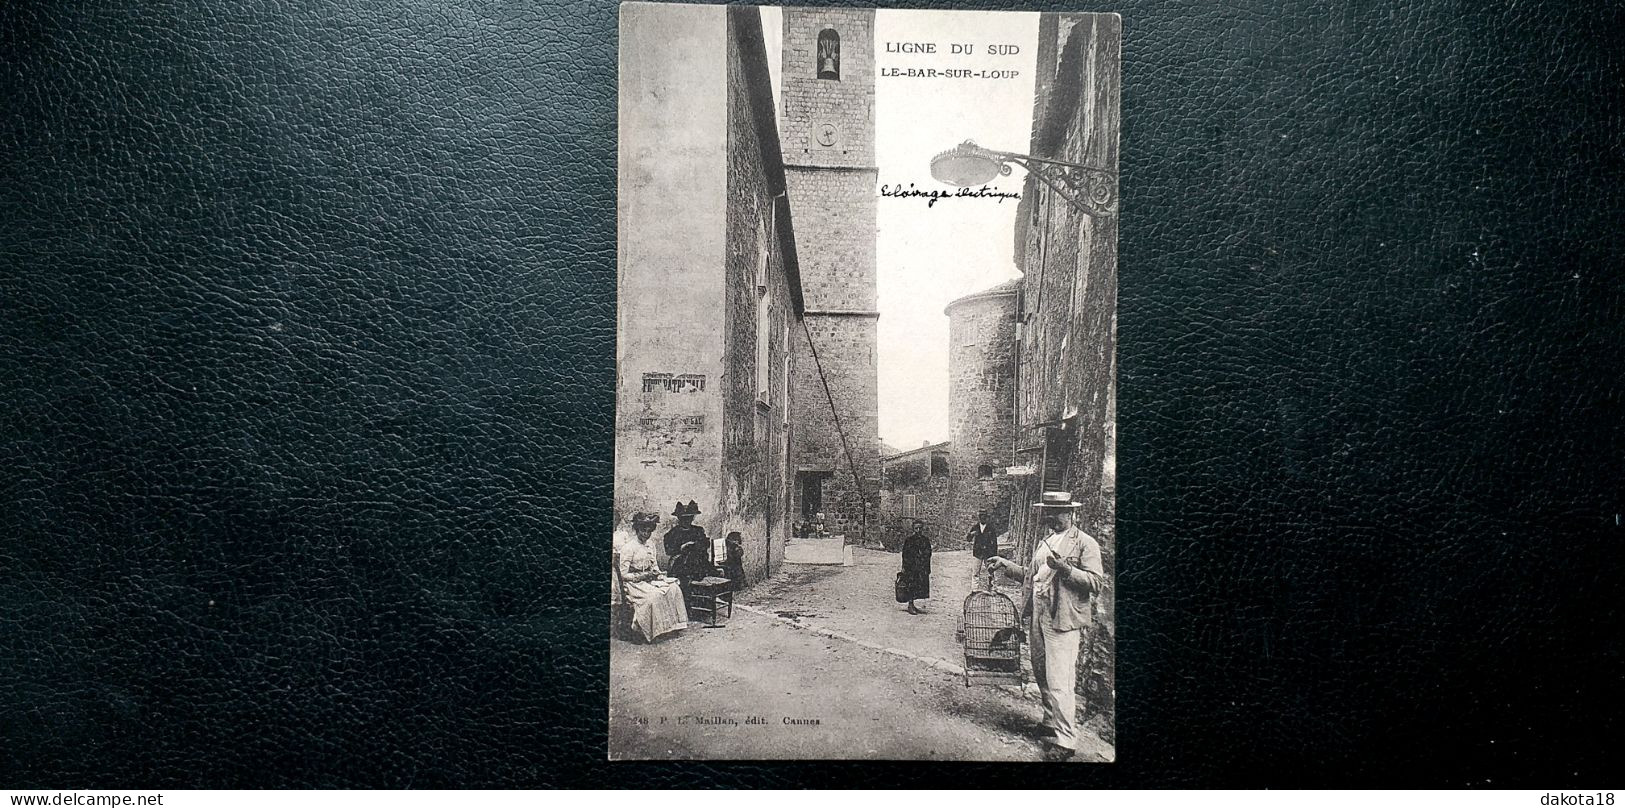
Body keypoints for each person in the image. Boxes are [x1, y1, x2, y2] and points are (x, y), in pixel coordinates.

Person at [987, 491, 1105, 762]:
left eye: (1057, 512)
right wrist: (1006, 564)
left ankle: (1066, 740)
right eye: (1048, 512)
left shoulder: (1085, 543)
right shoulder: (1046, 542)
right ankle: (1050, 721)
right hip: (1039, 615)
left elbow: (1096, 583)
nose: (1052, 517)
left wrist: (1065, 570)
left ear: (1071, 513)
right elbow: (1031, 577)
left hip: (1062, 620)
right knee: (1041, 671)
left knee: (1060, 679)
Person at [614, 511, 689, 642]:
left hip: (650, 580)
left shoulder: (651, 545)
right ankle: (647, 630)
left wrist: (659, 575)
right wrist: (643, 576)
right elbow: (624, 574)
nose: (646, 534)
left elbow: (654, 566)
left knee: (674, 589)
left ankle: (671, 626)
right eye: (643, 530)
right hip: (634, 583)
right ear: (637, 529)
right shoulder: (629, 548)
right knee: (654, 597)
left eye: (649, 531)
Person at [897, 519, 933, 615]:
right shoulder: (909, 540)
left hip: (921, 567)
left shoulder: (925, 540)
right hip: (911, 567)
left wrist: (926, 566)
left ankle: (913, 604)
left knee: (919, 585)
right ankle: (910, 604)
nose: (918, 530)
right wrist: (905, 566)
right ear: (913, 529)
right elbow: (905, 554)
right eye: (916, 528)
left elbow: (929, 553)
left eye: (920, 528)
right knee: (911, 585)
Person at [662, 500, 710, 566]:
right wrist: (681, 548)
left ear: (692, 518)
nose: (686, 521)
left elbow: (706, 544)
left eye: (689, 518)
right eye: (683, 518)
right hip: (680, 563)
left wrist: (695, 545)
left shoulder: (698, 531)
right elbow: (668, 551)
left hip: (698, 562)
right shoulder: (672, 533)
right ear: (679, 518)